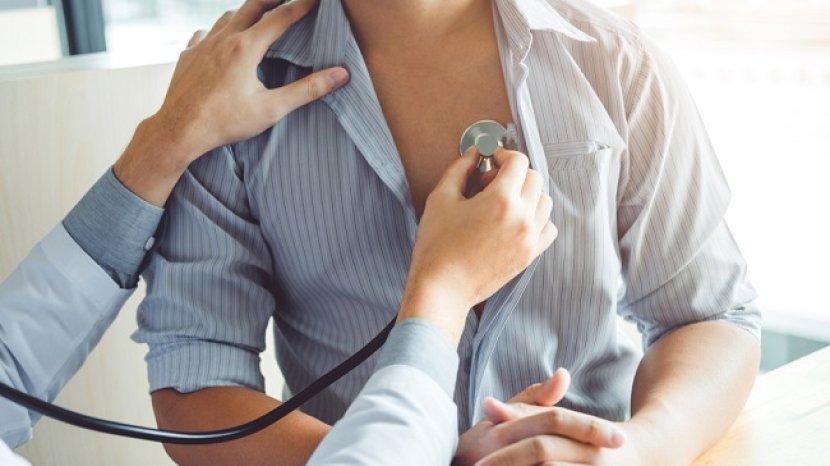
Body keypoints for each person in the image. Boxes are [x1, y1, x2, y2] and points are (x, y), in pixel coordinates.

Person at [135, 0, 762, 465]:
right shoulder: (232, 90)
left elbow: (709, 315)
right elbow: (196, 383)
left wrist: (637, 451)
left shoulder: (616, 63)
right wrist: (396, 458)